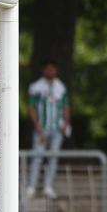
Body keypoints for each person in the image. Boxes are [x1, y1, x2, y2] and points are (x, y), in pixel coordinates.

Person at [27, 60, 71, 199]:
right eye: (48, 69)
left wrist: (65, 123)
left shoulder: (60, 87)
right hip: (42, 128)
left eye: (53, 69)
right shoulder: (36, 87)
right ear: (43, 70)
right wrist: (37, 125)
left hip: (57, 128)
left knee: (53, 157)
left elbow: (65, 106)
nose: (50, 71)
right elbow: (31, 107)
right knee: (37, 157)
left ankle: (48, 186)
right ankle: (32, 186)